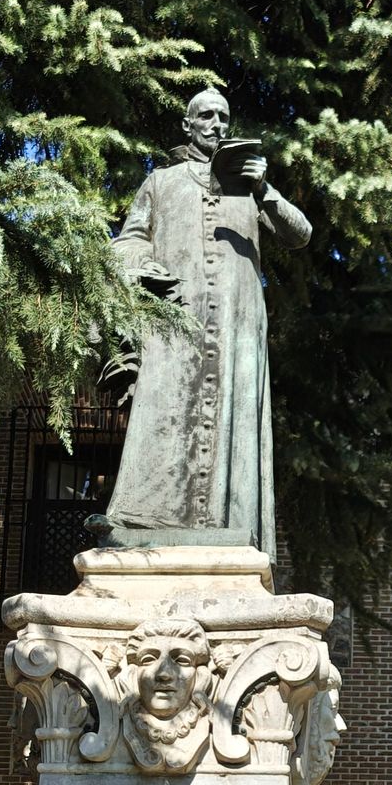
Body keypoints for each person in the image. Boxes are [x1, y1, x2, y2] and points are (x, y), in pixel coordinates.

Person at [99, 86, 312, 557]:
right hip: (176, 316)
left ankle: (229, 524)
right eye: (206, 116)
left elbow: (300, 234)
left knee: (232, 412)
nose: (216, 124)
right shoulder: (160, 182)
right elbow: (128, 240)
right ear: (188, 125)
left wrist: (265, 189)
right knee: (164, 407)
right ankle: (142, 518)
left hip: (238, 321)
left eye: (223, 117)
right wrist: (141, 264)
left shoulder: (251, 187)